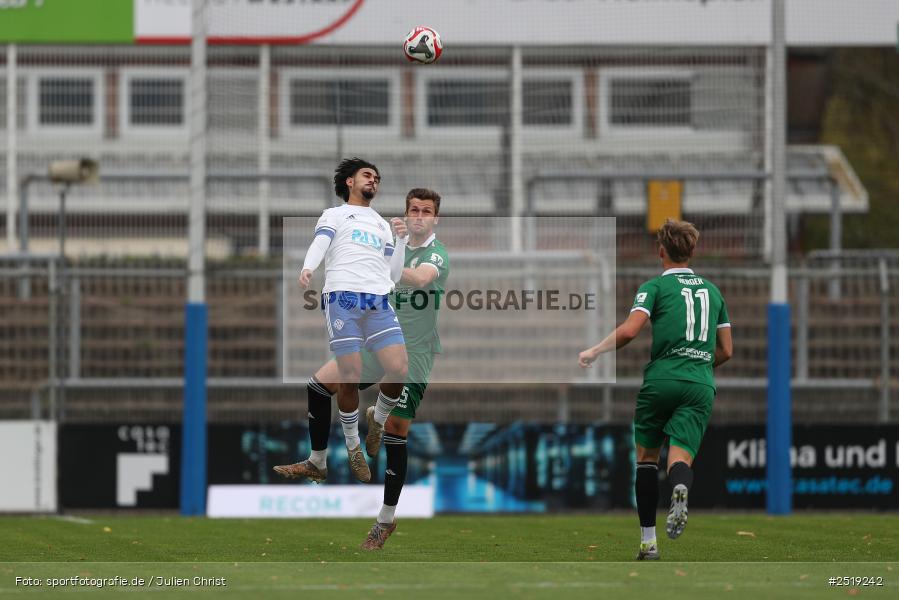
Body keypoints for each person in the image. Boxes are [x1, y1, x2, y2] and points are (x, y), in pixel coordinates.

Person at [277, 188, 449, 552]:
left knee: (397, 432)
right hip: (377, 336)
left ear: (435, 219)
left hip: (414, 352)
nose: (419, 216)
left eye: (426, 211)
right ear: (406, 213)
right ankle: (318, 461)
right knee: (319, 385)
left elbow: (418, 279)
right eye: (413, 210)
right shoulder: (388, 239)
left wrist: (371, 262)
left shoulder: (436, 254)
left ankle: (385, 520)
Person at [578, 219, 732, 561]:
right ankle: (680, 485)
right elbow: (727, 350)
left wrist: (594, 350)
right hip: (699, 382)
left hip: (661, 380)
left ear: (660, 250)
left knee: (647, 460)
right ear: (692, 251)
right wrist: (700, 367)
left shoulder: (653, 288)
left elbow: (631, 331)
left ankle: (649, 543)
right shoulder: (714, 291)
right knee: (681, 457)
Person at [277, 157, 409, 483]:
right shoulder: (334, 215)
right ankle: (353, 446)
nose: (373, 180)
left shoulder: (381, 224)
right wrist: (309, 266)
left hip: (378, 300)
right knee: (348, 375)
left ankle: (376, 419)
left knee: (401, 368)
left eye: (377, 177)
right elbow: (320, 242)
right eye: (367, 175)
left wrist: (403, 241)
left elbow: (393, 274)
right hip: (343, 299)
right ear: (349, 182)